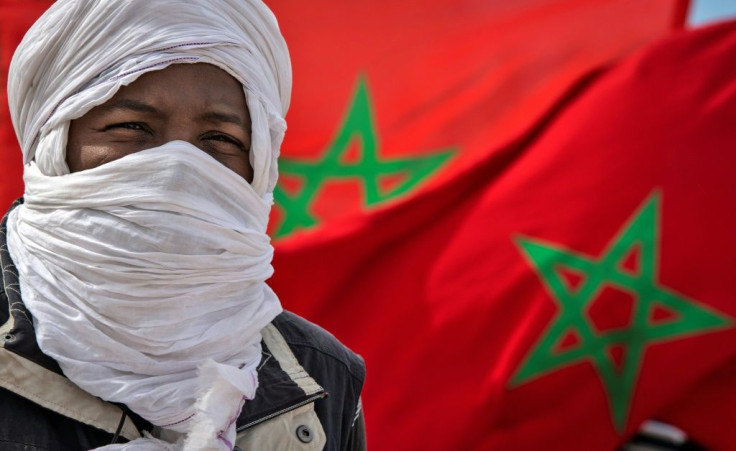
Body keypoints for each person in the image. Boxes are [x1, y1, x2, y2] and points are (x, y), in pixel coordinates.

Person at [0, 1, 365, 450]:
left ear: (259, 167)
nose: (177, 167)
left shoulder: (321, 375)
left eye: (219, 139)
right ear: (53, 145)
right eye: (131, 126)